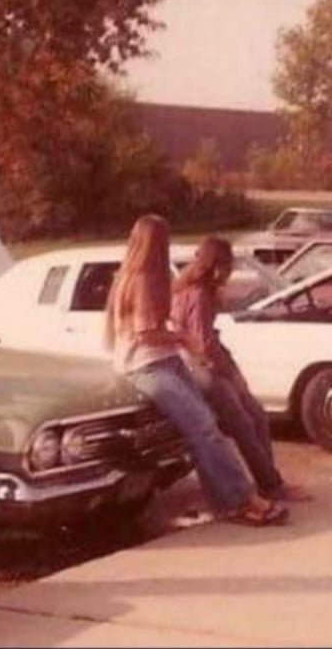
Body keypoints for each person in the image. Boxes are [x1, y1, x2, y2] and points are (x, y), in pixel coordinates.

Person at [105, 214, 288, 526]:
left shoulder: (151, 278)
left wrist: (175, 335)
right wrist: (182, 337)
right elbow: (144, 334)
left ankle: (228, 499)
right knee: (203, 426)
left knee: (206, 428)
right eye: (164, 240)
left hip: (167, 360)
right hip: (146, 366)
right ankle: (241, 500)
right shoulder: (139, 281)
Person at [171, 236, 311, 503]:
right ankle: (270, 485)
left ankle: (269, 480)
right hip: (205, 368)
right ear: (218, 265)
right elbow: (203, 344)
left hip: (206, 363)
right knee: (244, 424)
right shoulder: (198, 294)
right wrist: (231, 374)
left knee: (256, 416)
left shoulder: (188, 289)